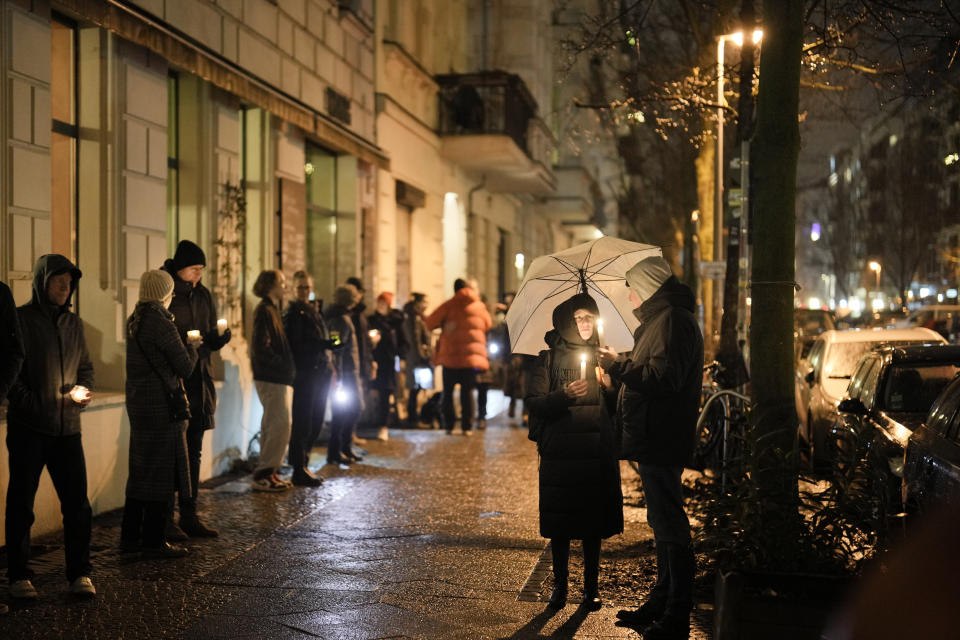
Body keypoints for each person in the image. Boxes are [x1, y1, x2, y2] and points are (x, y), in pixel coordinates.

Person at [597, 256, 703, 640]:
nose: (629, 294)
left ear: (649, 286)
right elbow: (653, 376)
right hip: (654, 435)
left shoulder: (673, 320)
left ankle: (676, 614)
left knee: (670, 523)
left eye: (633, 286)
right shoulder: (661, 321)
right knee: (662, 523)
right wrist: (617, 379)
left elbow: (665, 378)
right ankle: (661, 602)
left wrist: (618, 367)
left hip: (662, 437)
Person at [526, 292, 623, 611]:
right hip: (562, 452)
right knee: (562, 523)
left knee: (593, 522)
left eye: (590, 318)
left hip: (595, 450)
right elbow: (534, 402)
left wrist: (611, 385)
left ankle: (591, 588)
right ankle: (560, 585)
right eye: (579, 317)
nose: (585, 324)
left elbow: (617, 408)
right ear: (567, 320)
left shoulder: (603, 356)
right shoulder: (547, 357)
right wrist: (563, 395)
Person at [5, 254, 95, 599]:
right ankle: (18, 576)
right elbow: (11, 372)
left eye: (70, 282)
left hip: (68, 429)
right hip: (29, 428)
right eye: (59, 281)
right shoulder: (22, 320)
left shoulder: (75, 324)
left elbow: (85, 367)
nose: (65, 287)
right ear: (43, 282)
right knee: (22, 505)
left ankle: (80, 573)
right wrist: (31, 403)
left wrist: (84, 392)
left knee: (77, 506)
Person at [121, 270, 200, 558]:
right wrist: (193, 348)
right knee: (160, 474)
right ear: (164, 294)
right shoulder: (161, 323)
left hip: (139, 405)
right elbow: (186, 368)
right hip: (162, 407)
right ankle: (154, 540)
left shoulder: (135, 319)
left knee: (141, 471)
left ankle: (130, 536)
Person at [161, 240, 231, 539]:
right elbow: (162, 332)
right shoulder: (167, 293)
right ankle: (165, 518)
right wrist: (184, 346)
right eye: (194, 269)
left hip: (199, 377)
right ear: (180, 268)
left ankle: (189, 513)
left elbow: (209, 336)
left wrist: (218, 339)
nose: (198, 275)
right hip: (176, 379)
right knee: (170, 449)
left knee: (194, 448)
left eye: (201, 269)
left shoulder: (202, 295)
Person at [284, 271, 335, 487]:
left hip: (320, 370)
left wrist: (330, 347)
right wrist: (322, 345)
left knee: (316, 419)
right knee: (304, 421)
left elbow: (320, 338)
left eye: (307, 287)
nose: (304, 291)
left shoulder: (314, 311)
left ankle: (304, 463)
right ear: (294, 289)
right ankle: (299, 467)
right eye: (300, 287)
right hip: (306, 373)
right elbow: (296, 344)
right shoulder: (294, 313)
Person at [425, 278, 492, 436]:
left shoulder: (448, 305)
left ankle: (449, 425)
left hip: (450, 356)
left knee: (448, 392)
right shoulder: (479, 306)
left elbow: (429, 323)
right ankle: (467, 427)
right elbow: (488, 324)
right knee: (467, 392)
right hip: (470, 358)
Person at [250, 270, 295, 492]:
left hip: (276, 376)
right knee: (279, 424)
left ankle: (271, 471)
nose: (285, 286)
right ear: (270, 285)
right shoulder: (265, 310)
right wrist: (284, 366)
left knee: (275, 424)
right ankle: (264, 473)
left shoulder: (271, 309)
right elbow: (261, 346)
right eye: (281, 282)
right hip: (272, 377)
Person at [325, 285, 364, 465]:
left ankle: (342, 448)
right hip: (346, 373)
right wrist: (339, 375)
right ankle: (338, 449)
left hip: (347, 371)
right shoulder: (341, 319)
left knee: (348, 410)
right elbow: (338, 348)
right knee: (348, 410)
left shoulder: (340, 317)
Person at [367, 291, 406, 440]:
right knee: (370, 393)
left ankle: (383, 426)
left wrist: (400, 356)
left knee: (385, 394)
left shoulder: (395, 322)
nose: (381, 306)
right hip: (373, 360)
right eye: (379, 303)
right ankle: (368, 423)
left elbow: (403, 343)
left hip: (388, 363)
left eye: (384, 303)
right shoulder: (371, 320)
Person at [345, 276, 374, 443]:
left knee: (358, 402)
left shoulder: (360, 314)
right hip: (352, 364)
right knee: (353, 404)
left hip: (361, 361)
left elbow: (362, 341)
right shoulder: (350, 315)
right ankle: (347, 438)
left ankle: (350, 436)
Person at [402, 293, 433, 426]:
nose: (426, 305)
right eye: (424, 302)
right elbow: (415, 339)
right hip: (416, 359)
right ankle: (413, 418)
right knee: (416, 388)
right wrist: (422, 357)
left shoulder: (414, 316)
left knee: (416, 388)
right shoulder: (415, 318)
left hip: (414, 358)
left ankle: (413, 417)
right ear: (418, 303)